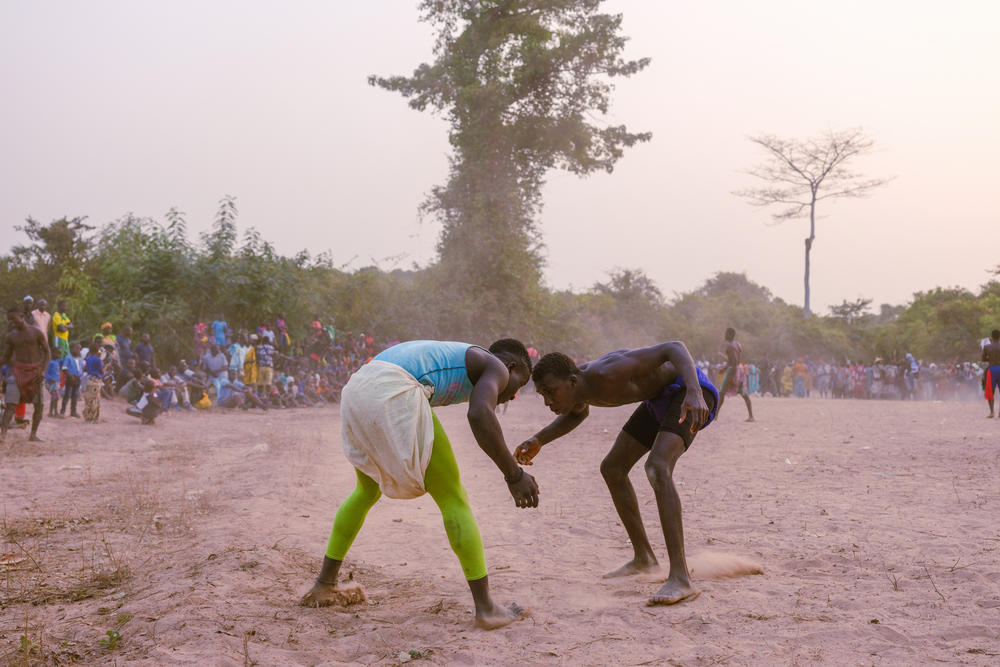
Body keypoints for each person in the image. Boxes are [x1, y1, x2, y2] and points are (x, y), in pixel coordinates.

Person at [299, 339, 537, 630]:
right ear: (511, 366)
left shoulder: (467, 359)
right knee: (453, 497)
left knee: (366, 490)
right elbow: (479, 413)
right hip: (392, 387)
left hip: (357, 389)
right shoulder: (495, 366)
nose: (513, 395)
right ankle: (486, 608)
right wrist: (514, 475)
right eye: (519, 385)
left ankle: (324, 583)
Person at [515, 342, 716, 606]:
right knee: (612, 468)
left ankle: (681, 578)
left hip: (690, 393)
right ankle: (644, 558)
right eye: (543, 395)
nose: (548, 402)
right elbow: (577, 415)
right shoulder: (579, 390)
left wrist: (693, 390)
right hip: (659, 400)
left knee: (657, 467)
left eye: (551, 393)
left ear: (572, 381)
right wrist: (539, 439)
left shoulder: (608, 372)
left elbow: (674, 348)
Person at [2, 305, 51, 442]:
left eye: (14, 319)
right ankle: (3, 436)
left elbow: (47, 352)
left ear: (22, 317)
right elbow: (6, 358)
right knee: (10, 405)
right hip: (18, 372)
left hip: (36, 372)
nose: (12, 323)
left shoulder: (36, 332)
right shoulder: (11, 336)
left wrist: (44, 371)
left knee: (39, 406)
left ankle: (33, 434)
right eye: (9, 320)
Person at [716, 328, 754, 422]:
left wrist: (732, 376)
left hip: (733, 371)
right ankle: (751, 416)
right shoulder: (737, 344)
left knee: (721, 393)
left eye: (726, 333)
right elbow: (735, 360)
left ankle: (715, 416)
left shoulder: (729, 346)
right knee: (744, 394)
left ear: (729, 334)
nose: (724, 335)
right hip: (739, 369)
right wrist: (724, 368)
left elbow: (733, 361)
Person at [83, 335, 104, 423]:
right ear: (97, 350)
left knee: (89, 399)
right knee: (95, 399)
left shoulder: (88, 358)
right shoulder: (98, 360)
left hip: (89, 379)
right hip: (96, 380)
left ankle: (87, 416)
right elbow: (101, 371)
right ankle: (94, 418)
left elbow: (86, 369)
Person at [61, 343, 84, 417]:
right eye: (76, 348)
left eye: (80, 349)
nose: (78, 350)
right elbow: (64, 368)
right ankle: (62, 411)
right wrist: (70, 377)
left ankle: (73, 412)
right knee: (67, 395)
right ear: (71, 349)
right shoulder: (68, 358)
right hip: (70, 378)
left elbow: (81, 368)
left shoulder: (80, 359)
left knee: (75, 395)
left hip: (77, 378)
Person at [982, 329, 1000, 417]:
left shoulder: (987, 347)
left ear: (991, 337)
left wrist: (991, 358)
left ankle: (992, 412)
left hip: (992, 369)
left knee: (990, 391)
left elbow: (983, 359)